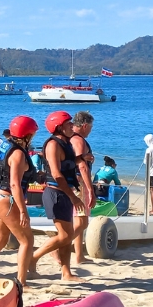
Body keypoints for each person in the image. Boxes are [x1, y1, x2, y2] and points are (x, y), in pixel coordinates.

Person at [0, 115, 37, 287]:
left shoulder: (6, 145)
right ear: (27, 135)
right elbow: (14, 184)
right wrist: (23, 211)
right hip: (6, 199)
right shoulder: (18, 154)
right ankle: (22, 281)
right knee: (27, 240)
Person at [30, 111, 83, 282]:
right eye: (68, 123)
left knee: (67, 237)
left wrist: (81, 159)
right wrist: (73, 197)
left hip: (64, 193)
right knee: (65, 236)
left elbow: (66, 164)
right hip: (55, 193)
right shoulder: (53, 144)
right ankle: (34, 257)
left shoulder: (66, 142)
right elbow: (57, 174)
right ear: (59, 127)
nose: (72, 126)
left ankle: (66, 273)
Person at [68, 111, 97, 265]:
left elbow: (75, 159)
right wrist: (90, 189)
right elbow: (82, 167)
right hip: (79, 183)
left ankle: (79, 255)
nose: (91, 131)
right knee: (82, 223)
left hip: (72, 182)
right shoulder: (79, 140)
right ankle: (58, 247)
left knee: (78, 220)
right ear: (85, 125)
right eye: (91, 127)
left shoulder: (69, 138)